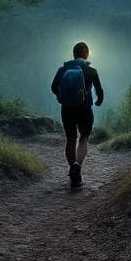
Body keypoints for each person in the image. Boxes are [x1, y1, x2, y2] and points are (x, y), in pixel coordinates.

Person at [50, 41, 104, 188]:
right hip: (85, 109)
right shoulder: (91, 71)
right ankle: (77, 166)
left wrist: (63, 96)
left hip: (67, 109)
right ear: (87, 54)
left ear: (73, 54)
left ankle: (73, 171)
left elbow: (53, 87)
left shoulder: (62, 70)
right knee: (83, 139)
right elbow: (100, 92)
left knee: (70, 139)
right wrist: (98, 101)